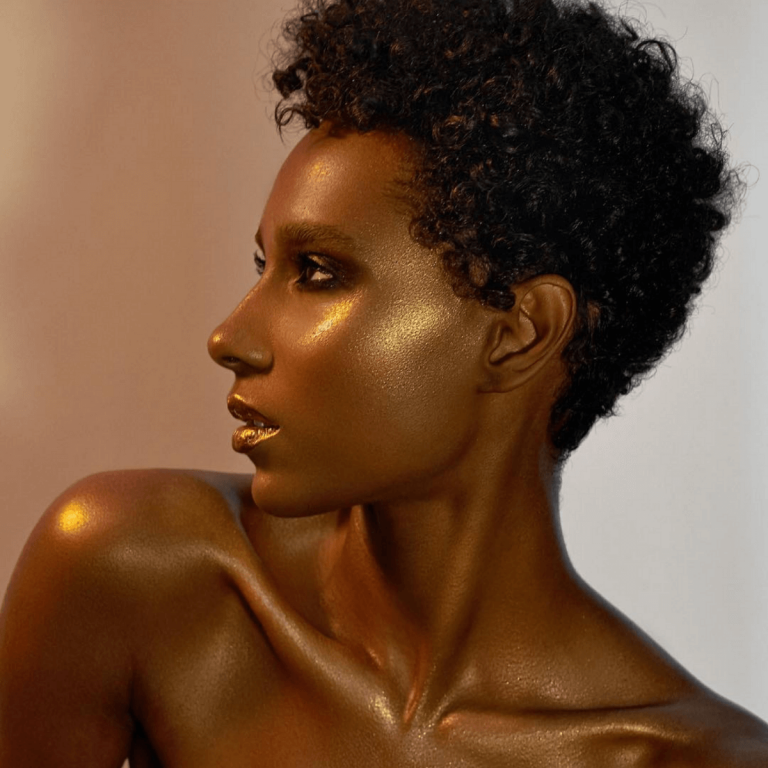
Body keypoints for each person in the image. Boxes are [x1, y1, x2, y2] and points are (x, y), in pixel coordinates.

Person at [1, 0, 767, 764]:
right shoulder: (140, 578)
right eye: (265, 266)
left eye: (318, 272)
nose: (230, 339)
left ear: (520, 332)